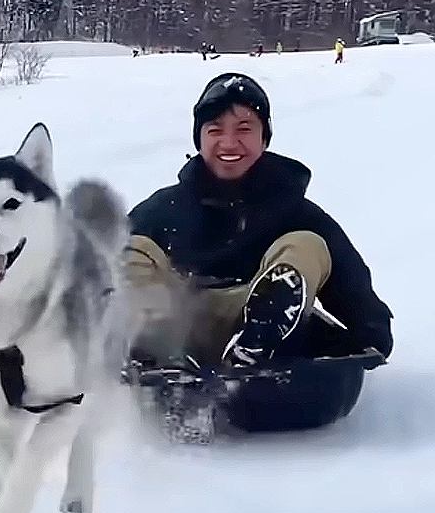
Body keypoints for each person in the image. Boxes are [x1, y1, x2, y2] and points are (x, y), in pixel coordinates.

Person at [123, 73, 393, 430]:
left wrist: (370, 332)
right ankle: (159, 358)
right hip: (179, 320)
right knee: (129, 249)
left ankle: (257, 341)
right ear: (199, 139)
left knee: (306, 244)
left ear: (264, 137)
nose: (229, 142)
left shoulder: (294, 210)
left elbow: (348, 277)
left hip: (254, 316)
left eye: (244, 128)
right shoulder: (164, 209)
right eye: (215, 130)